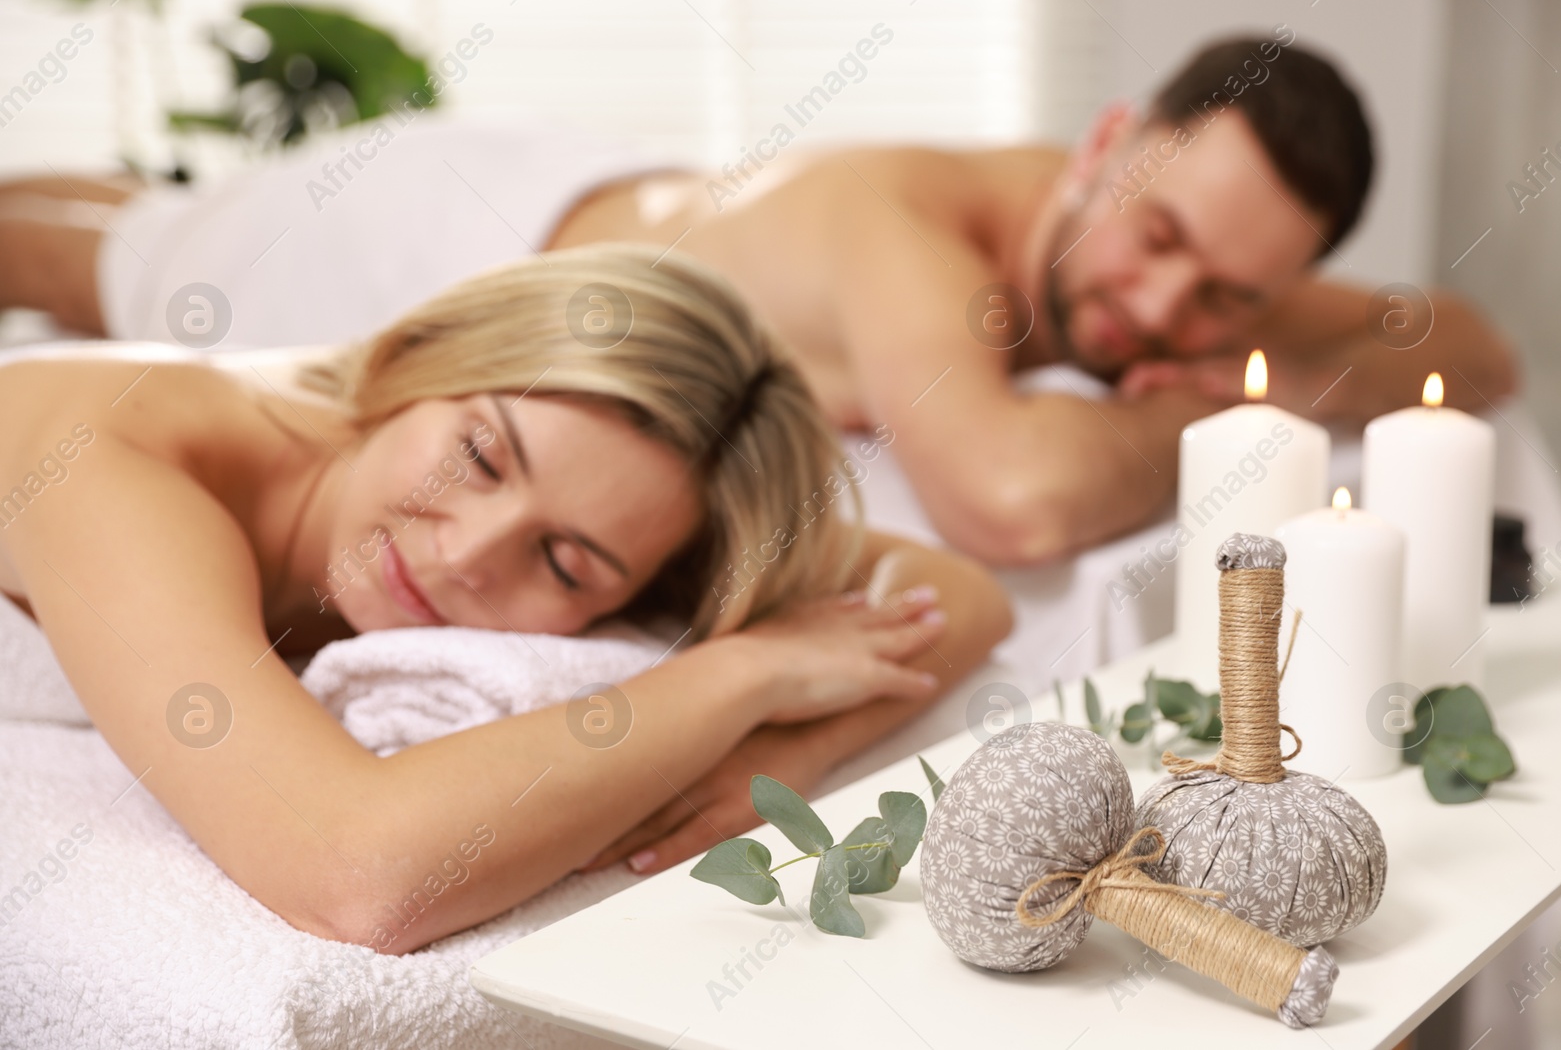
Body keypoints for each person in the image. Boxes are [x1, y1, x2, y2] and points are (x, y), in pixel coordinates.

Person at [0, 33, 1518, 566]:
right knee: (100, 253)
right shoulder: (909, 229)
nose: (1160, 300)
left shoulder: (1169, 269)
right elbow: (1014, 496)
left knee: (138, 221)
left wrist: (1271, 342)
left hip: (640, 193)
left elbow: (1469, 346)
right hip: (441, 242)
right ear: (1107, 142)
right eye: (1160, 231)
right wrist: (1252, 395)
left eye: (1229, 290)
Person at [0, 244, 1013, 953]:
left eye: (567, 564)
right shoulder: (116, 454)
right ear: (412, 362)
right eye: (479, 455)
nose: (470, 554)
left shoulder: (643, 505)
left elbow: (960, 594)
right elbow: (358, 877)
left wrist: (781, 755)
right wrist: (743, 673)